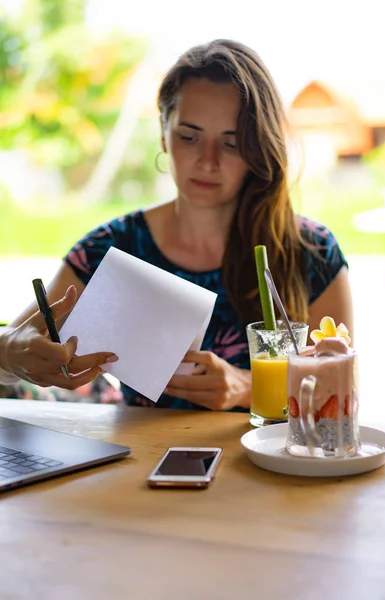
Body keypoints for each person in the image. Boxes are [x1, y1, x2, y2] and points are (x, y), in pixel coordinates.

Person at [0, 39, 353, 412]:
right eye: (189, 137)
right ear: (163, 134)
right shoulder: (110, 249)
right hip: (138, 461)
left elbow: (341, 391)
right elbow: (12, 349)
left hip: (270, 466)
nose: (207, 161)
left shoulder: (310, 251)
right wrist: (10, 354)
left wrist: (247, 387)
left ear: (257, 150)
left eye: (231, 144)